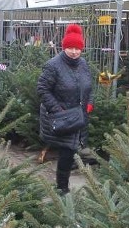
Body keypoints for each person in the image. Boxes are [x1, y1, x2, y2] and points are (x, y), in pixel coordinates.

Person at [37, 24, 93, 194]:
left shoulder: (83, 64)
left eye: (78, 48)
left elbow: (89, 86)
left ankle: (64, 185)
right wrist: (57, 109)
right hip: (62, 117)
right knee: (67, 152)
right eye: (70, 48)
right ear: (64, 47)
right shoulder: (53, 65)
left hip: (78, 116)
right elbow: (42, 89)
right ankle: (62, 189)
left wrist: (90, 102)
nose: (74, 52)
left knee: (71, 151)